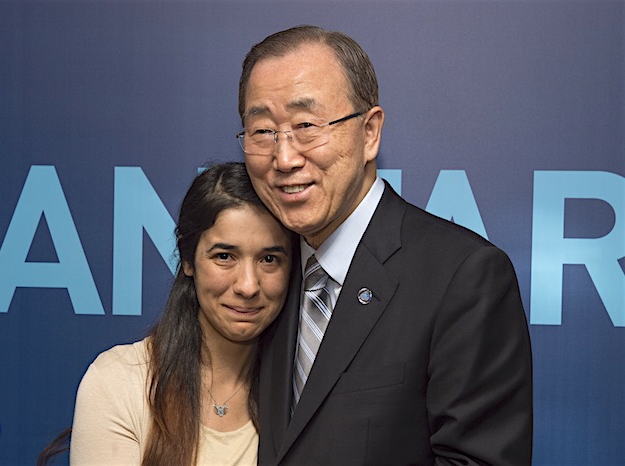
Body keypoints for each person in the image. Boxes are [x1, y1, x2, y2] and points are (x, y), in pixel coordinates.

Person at [237, 26, 533, 465]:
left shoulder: (462, 277)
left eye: (306, 126)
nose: (284, 158)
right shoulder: (261, 278)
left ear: (370, 132)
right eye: (262, 131)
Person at [61, 162, 293, 465]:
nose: (248, 285)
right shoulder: (120, 381)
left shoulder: (304, 391)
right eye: (224, 256)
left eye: (269, 259)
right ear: (188, 260)